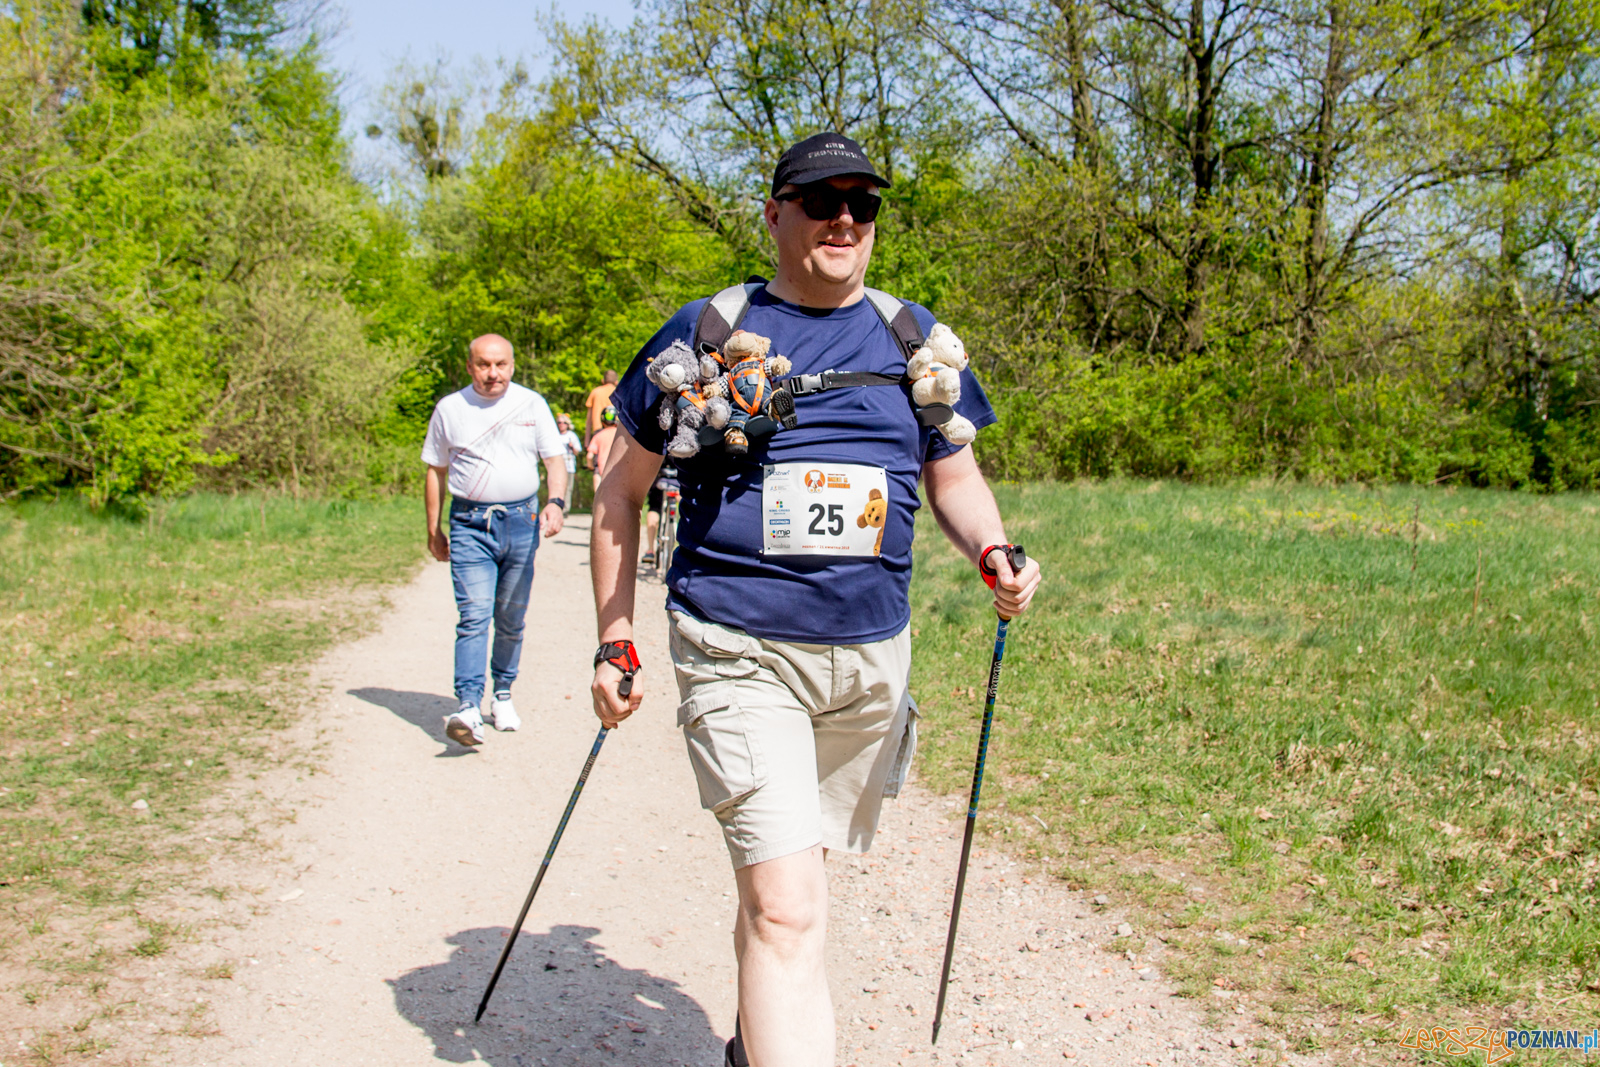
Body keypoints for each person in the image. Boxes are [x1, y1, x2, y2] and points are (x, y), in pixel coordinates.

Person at [586, 132, 1042, 1067]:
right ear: (774, 212)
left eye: (862, 202)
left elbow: (954, 478)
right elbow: (617, 494)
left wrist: (993, 550)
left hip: (869, 662)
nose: (844, 217)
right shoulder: (706, 332)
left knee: (782, 889)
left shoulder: (914, 339)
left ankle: (751, 1050)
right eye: (820, 198)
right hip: (737, 647)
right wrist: (615, 635)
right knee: (791, 905)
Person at [421, 334, 568, 748]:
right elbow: (435, 470)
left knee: (510, 617)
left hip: (521, 522)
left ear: (512, 365)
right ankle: (468, 704)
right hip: (469, 524)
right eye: (484, 365)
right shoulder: (450, 409)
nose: (492, 374)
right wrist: (433, 530)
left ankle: (502, 693)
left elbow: (553, 459)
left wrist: (555, 503)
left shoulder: (531, 403)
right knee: (474, 615)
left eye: (500, 365)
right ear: (469, 367)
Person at [584, 369, 619, 446]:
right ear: (616, 382)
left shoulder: (595, 392)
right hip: (616, 430)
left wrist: (587, 441)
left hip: (598, 430)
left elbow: (589, 419)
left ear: (602, 381)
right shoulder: (619, 392)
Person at [556, 412, 582, 512]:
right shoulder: (554, 435)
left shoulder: (572, 436)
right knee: (557, 488)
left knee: (568, 489)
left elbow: (577, 451)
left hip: (569, 466)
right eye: (559, 422)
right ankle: (557, 508)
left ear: (567, 424)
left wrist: (572, 447)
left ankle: (565, 510)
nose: (561, 424)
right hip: (557, 467)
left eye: (563, 422)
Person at [586, 405, 618, 481]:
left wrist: (590, 466)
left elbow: (589, 456)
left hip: (601, 470)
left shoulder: (598, 435)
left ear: (602, 422)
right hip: (617, 471)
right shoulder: (620, 435)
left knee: (598, 492)